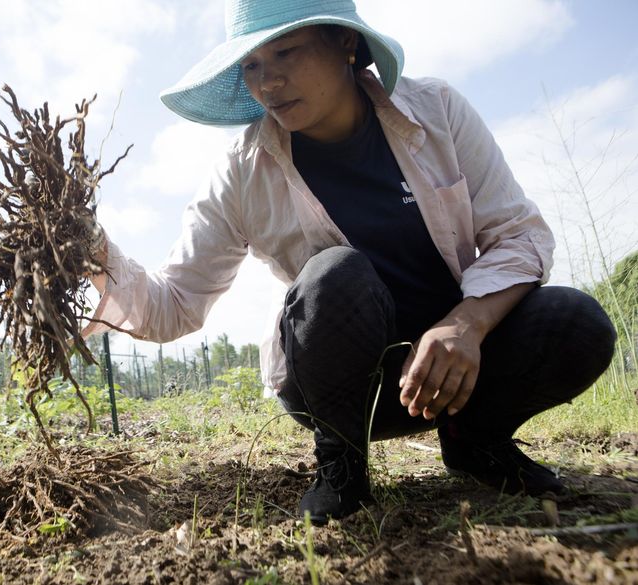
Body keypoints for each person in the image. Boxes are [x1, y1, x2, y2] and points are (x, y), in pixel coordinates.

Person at [84, 0, 617, 525]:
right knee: (335, 274)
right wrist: (90, 248)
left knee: (575, 323)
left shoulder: (436, 112)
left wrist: (465, 325)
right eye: (251, 66)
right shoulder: (243, 170)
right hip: (339, 387)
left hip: (454, 371)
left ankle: (474, 441)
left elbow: (518, 237)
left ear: (345, 42)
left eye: (286, 53)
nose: (268, 83)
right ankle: (342, 464)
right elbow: (175, 303)